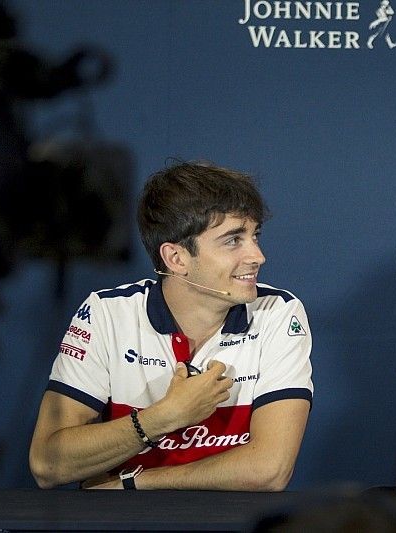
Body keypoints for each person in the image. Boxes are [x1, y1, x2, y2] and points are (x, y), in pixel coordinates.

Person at [28, 160, 313, 490]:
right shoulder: (107, 313)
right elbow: (48, 464)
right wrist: (165, 417)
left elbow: (269, 470)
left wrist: (134, 484)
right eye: (234, 240)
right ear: (176, 258)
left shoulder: (277, 312)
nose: (257, 256)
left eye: (254, 236)